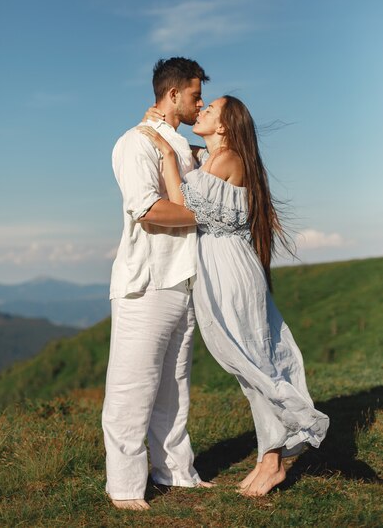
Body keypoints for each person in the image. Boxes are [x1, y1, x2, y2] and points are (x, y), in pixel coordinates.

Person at [137, 94, 330, 497]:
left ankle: (279, 453)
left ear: (224, 126)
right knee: (247, 368)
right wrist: (162, 129)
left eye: (210, 111)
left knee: (254, 363)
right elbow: (192, 167)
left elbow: (181, 205)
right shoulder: (214, 159)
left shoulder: (227, 159)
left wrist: (167, 158)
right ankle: (270, 456)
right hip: (217, 271)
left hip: (230, 272)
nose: (202, 110)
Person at [102, 57, 213, 511]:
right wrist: (208, 217)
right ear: (172, 96)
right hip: (145, 284)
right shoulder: (135, 143)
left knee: (175, 386)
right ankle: (125, 487)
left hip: (184, 279)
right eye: (194, 94)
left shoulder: (181, 147)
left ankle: (176, 472)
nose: (200, 102)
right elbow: (149, 213)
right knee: (132, 389)